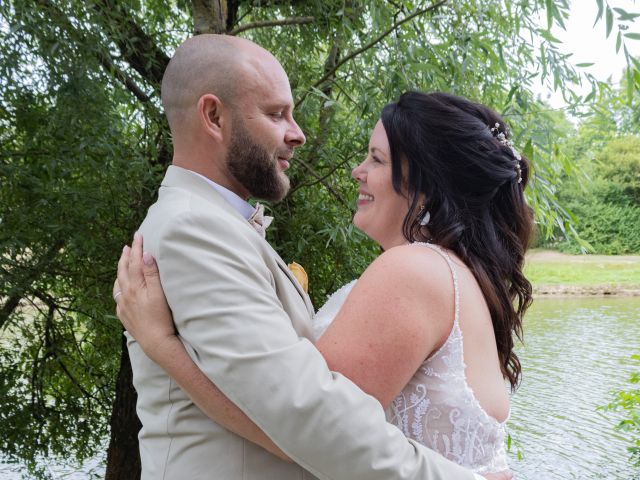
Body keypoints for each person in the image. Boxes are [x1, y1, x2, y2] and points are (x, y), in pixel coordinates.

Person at [113, 34, 508, 480]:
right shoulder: (194, 229)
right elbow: (307, 419)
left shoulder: (212, 225)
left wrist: (163, 347)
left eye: (376, 159)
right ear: (213, 116)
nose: (298, 133)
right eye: (276, 113)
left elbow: (305, 418)